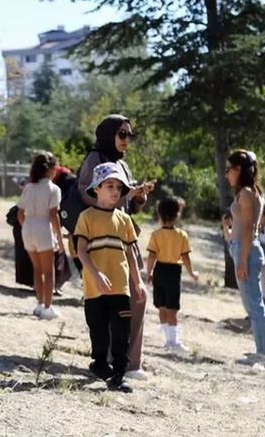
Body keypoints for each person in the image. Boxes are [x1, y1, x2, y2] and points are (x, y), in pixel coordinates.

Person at [77, 114, 154, 381]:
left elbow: (126, 204)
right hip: (99, 243)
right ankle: (107, 362)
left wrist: (138, 197)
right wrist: (121, 193)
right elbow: (85, 193)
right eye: (122, 134)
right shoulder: (94, 159)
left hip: (124, 235)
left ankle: (131, 363)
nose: (126, 140)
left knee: (136, 296)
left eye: (130, 135)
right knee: (104, 308)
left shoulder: (123, 164)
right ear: (108, 133)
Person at [76, 162, 147, 393]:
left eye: (119, 186)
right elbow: (81, 251)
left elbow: (131, 253)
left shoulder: (125, 220)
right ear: (96, 188)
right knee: (97, 328)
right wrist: (95, 275)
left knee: (121, 330)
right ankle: (99, 363)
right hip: (94, 287)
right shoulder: (86, 217)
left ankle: (118, 374)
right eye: (110, 185)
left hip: (120, 287)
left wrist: (137, 282)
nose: (116, 191)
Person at [221, 149, 265, 365]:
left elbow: (250, 228)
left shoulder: (248, 193)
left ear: (239, 169)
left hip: (247, 252)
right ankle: (262, 349)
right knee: (252, 305)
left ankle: (264, 352)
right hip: (242, 248)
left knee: (255, 305)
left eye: (228, 169)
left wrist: (241, 260)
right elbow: (243, 229)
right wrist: (228, 231)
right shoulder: (248, 192)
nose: (226, 174)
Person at [146, 197, 198, 353]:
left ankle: (166, 337)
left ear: (160, 215)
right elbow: (186, 258)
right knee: (172, 309)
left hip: (159, 271)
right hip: (173, 273)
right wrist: (192, 273)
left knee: (161, 306)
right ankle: (173, 341)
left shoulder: (156, 234)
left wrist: (148, 272)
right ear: (177, 215)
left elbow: (151, 256)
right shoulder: (181, 235)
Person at [17, 151, 65, 319]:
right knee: (49, 271)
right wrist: (59, 237)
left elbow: (20, 214)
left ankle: (39, 304)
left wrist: (27, 228)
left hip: (28, 228)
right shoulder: (53, 189)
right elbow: (53, 215)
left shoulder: (28, 187)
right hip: (43, 227)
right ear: (49, 169)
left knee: (37, 269)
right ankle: (48, 306)